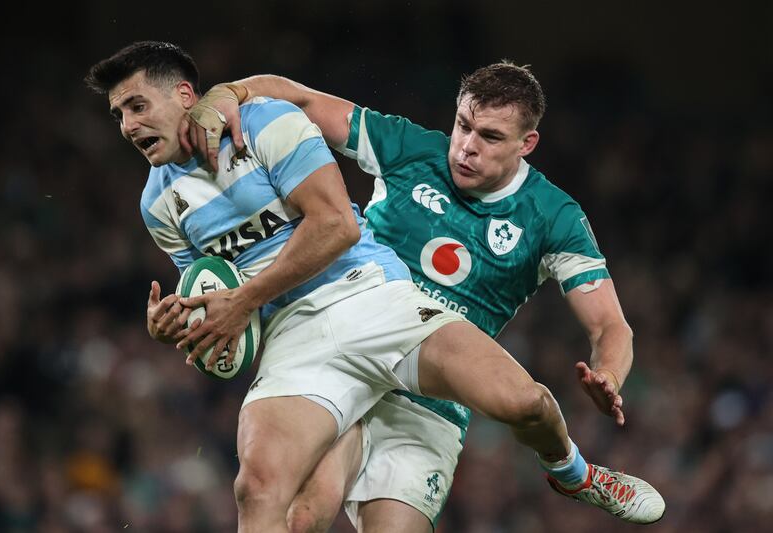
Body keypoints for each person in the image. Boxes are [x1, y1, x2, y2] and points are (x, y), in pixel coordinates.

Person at [86, 41, 662, 533]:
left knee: (528, 403)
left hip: (424, 373)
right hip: (328, 329)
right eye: (463, 126)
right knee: (292, 512)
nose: (466, 146)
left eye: (489, 136)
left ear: (525, 144)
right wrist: (230, 92)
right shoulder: (410, 148)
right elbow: (300, 99)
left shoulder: (554, 216)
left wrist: (609, 374)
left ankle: (574, 474)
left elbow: (610, 326)